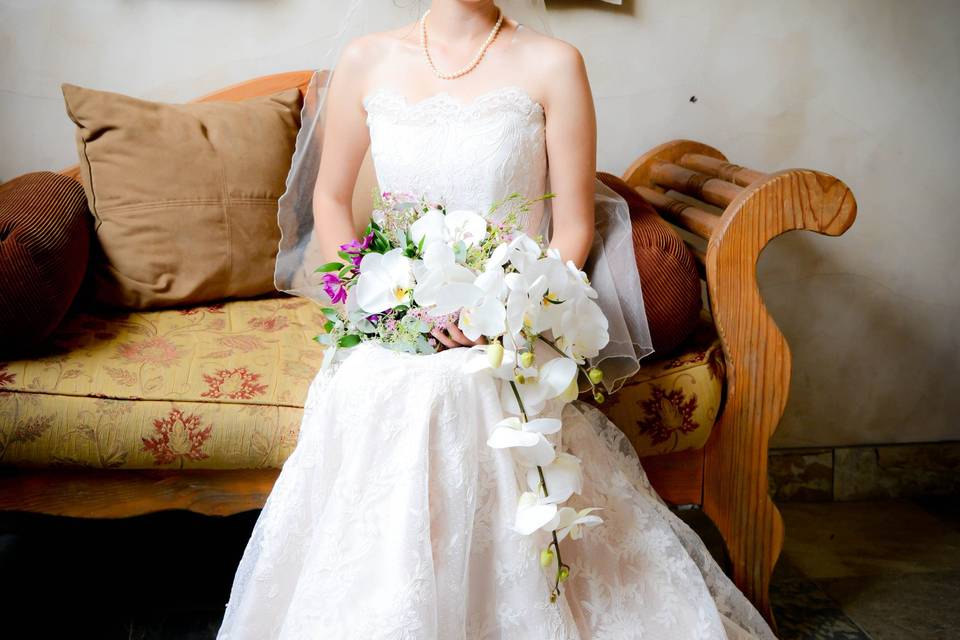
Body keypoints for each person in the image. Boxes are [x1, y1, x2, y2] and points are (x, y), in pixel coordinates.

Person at [217, 2, 776, 638]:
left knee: (463, 383)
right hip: (395, 311)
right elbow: (330, 197)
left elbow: (572, 228)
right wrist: (387, 305)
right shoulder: (366, 58)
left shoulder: (554, 63)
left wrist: (504, 310)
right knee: (393, 384)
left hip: (512, 316)